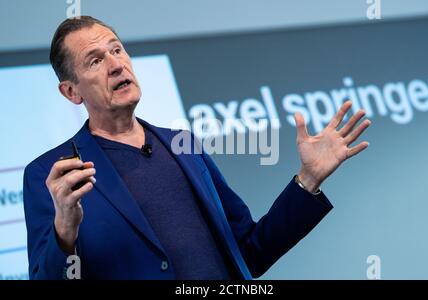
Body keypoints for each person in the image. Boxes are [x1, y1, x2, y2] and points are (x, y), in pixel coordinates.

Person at [23, 16, 371, 280]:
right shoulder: (53, 175)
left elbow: (249, 251)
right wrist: (64, 231)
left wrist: (307, 181)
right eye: (95, 61)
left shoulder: (182, 144)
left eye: (116, 49)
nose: (117, 64)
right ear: (72, 92)